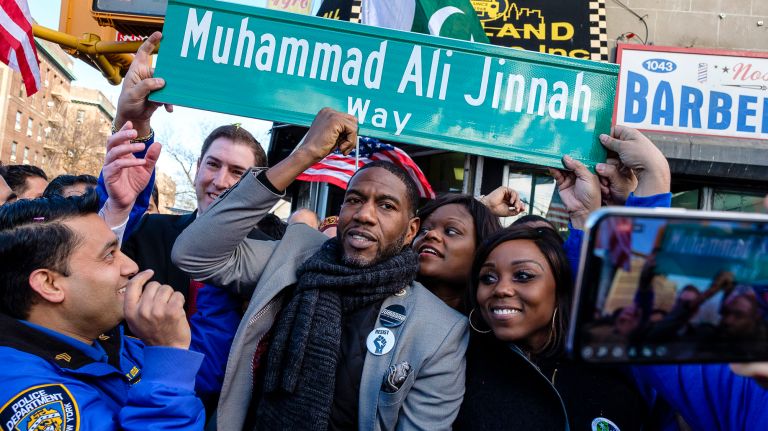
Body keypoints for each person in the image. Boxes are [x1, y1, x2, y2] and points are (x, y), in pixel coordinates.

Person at [172, 108, 468, 431]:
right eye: (354, 200)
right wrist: (305, 154)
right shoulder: (296, 254)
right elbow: (192, 255)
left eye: (386, 205)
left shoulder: (440, 331)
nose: (364, 215)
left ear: (411, 231)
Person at [0, 192, 205, 430]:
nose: (131, 266)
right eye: (109, 255)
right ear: (49, 284)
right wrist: (168, 360)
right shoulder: (26, 392)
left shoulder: (111, 341)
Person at [115, 33, 271, 308]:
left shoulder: (271, 253)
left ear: (254, 184)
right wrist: (131, 120)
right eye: (213, 164)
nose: (220, 181)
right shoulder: (150, 232)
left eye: (237, 172)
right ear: (199, 167)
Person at [454, 226, 652, 430]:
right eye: (488, 278)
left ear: (560, 289)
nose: (501, 289)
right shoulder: (457, 362)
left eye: (523, 275)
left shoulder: (610, 371)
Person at [412, 193, 503, 312]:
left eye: (450, 231)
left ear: (481, 250)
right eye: (424, 229)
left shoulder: (492, 322)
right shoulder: (386, 294)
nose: (431, 234)